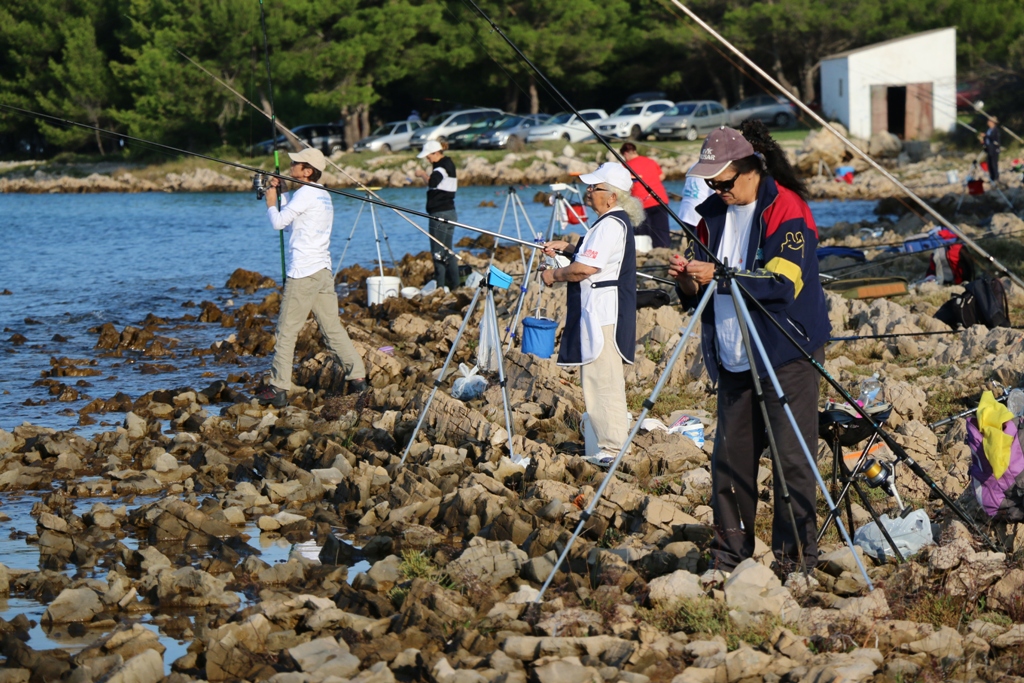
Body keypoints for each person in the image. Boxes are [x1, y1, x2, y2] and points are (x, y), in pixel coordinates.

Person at [669, 122, 831, 576]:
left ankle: (795, 559)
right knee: (729, 459)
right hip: (732, 356)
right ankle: (728, 556)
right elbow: (693, 294)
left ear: (751, 169)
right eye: (711, 182)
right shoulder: (709, 215)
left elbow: (782, 283)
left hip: (786, 353)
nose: (717, 190)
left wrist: (718, 275)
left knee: (790, 459)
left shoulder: (787, 209)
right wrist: (685, 276)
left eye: (723, 182)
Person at [542, 163, 641, 458]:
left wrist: (553, 276)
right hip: (601, 312)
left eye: (594, 187)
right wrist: (568, 247)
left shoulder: (610, 224)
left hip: (603, 315)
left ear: (612, 196)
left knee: (603, 380)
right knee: (597, 378)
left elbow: (585, 269)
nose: (588, 191)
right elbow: (591, 257)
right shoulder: (610, 222)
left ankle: (612, 449)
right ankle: (604, 444)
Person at [256, 148, 367, 408]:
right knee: (331, 328)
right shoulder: (322, 194)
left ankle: (278, 387)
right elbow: (296, 211)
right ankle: (358, 377)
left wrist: (271, 201)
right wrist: (281, 191)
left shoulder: (305, 194)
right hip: (322, 271)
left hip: (303, 273)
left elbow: (279, 222)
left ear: (307, 171)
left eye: (296, 163)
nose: (291, 165)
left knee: (286, 331)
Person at [414, 140, 460, 290]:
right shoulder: (449, 164)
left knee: (438, 252)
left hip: (439, 214)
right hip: (450, 212)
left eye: (428, 156)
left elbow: (432, 182)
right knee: (447, 250)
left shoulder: (441, 167)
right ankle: (455, 285)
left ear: (436, 153)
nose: (428, 159)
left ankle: (440, 286)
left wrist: (421, 174)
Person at [620, 142, 671, 248]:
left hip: (641, 203)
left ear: (625, 154)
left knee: (642, 234)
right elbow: (662, 176)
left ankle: (644, 253)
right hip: (659, 199)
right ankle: (663, 251)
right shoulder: (650, 161)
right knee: (661, 231)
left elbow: (625, 186)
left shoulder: (625, 166)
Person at [677, 161, 714, 231]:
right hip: (698, 216)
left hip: (685, 212)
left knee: (692, 240)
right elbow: (717, 195)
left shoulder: (694, 165)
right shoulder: (714, 168)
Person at [982, 118, 1001, 183]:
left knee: (994, 164)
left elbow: (994, 138)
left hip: (994, 149)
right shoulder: (988, 130)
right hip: (988, 149)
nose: (988, 122)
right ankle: (992, 177)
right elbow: (987, 139)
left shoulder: (995, 130)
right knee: (989, 164)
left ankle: (996, 177)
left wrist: (986, 136)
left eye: (989, 121)